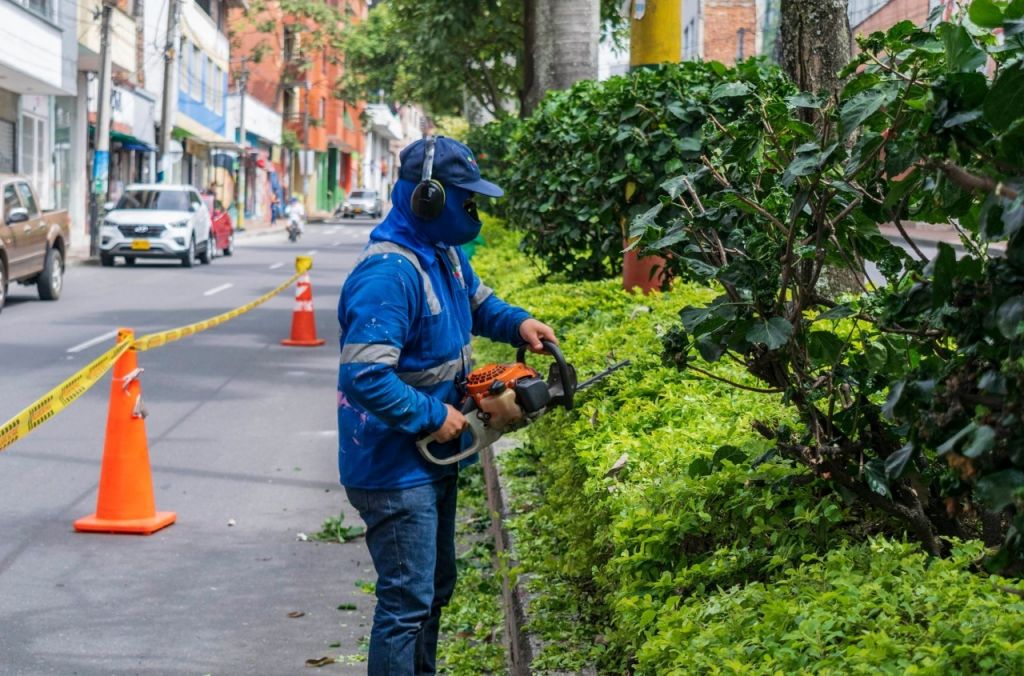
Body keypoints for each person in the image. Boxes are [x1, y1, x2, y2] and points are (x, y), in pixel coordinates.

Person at [337, 136, 556, 675]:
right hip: (393, 466)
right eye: (466, 200)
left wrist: (519, 323)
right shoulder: (389, 274)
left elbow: (480, 305)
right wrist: (434, 415)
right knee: (406, 603)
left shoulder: (444, 256)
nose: (473, 211)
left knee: (433, 591)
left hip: (433, 457)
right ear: (429, 199)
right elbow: (365, 376)